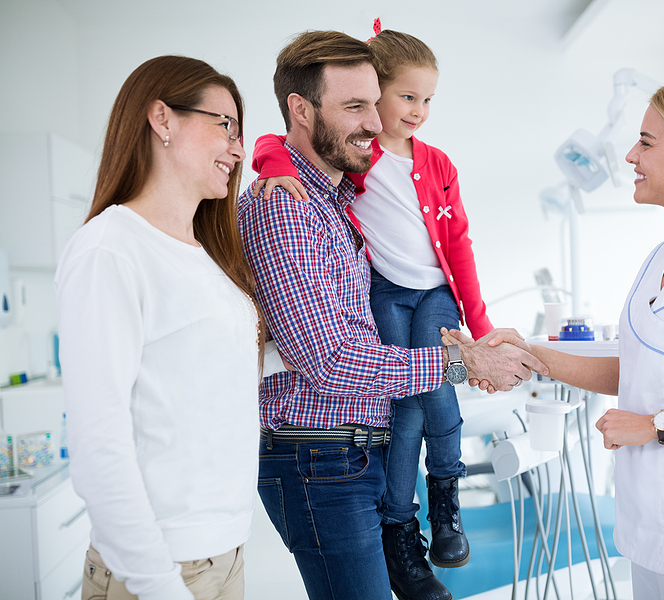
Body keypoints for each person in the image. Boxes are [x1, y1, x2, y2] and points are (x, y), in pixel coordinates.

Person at [445, 80, 664, 600]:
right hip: (649, 531)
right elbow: (638, 368)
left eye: (646, 141)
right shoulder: (660, 258)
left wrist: (655, 426)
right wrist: (535, 354)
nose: (629, 154)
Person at [237, 30, 545, 600]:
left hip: (354, 451)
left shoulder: (336, 199)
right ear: (300, 111)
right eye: (356, 107)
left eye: (375, 103)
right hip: (321, 455)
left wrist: (475, 338)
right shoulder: (285, 204)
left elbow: (456, 243)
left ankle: (427, 517)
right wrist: (463, 362)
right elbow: (329, 363)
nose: (377, 122)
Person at [56, 55, 289, 600]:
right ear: (162, 119)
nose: (237, 148)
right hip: (159, 569)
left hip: (225, 554)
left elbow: (221, 370)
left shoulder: (206, 258)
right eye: (224, 125)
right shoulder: (110, 250)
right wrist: (158, 585)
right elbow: (98, 448)